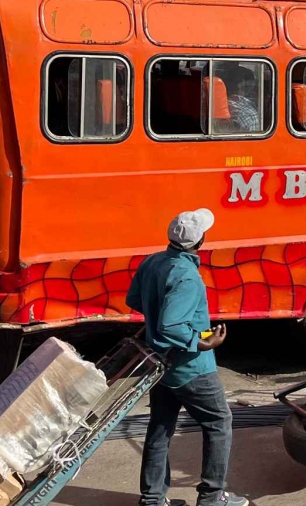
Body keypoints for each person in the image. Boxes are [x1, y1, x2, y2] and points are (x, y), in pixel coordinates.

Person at [128, 210, 248, 506]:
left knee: (160, 427)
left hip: (160, 364)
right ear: (201, 241)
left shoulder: (154, 261)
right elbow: (172, 325)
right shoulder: (188, 277)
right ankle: (212, 497)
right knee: (219, 422)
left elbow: (134, 300)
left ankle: (153, 499)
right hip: (191, 368)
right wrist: (203, 342)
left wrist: (157, 319)